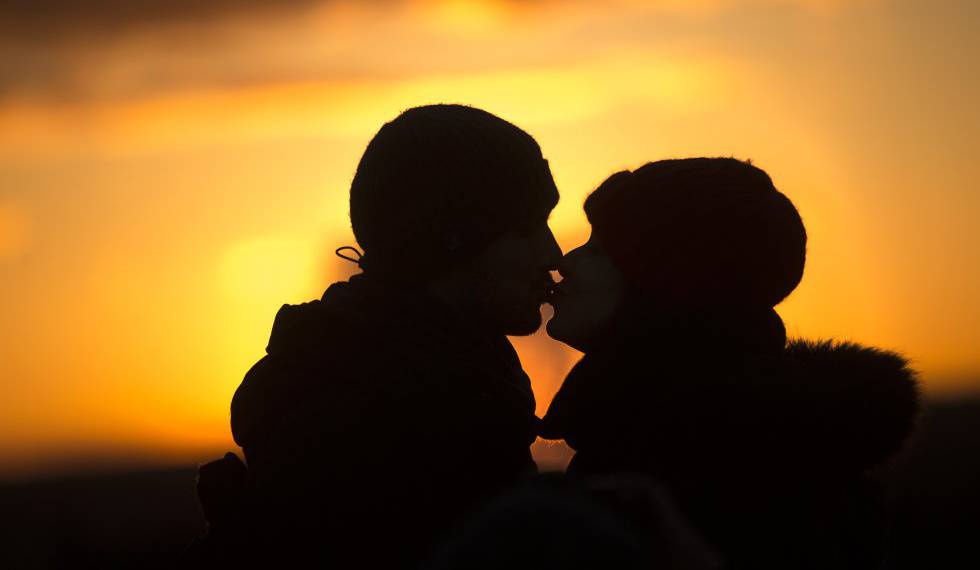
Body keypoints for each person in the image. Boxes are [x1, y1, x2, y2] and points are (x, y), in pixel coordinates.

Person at [190, 104, 562, 567]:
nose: (553, 252)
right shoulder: (370, 421)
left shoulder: (449, 379)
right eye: (527, 228)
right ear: (454, 237)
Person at [540, 158, 920, 569]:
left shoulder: (713, 467)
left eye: (598, 249)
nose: (566, 262)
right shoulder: (704, 432)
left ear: (664, 279)